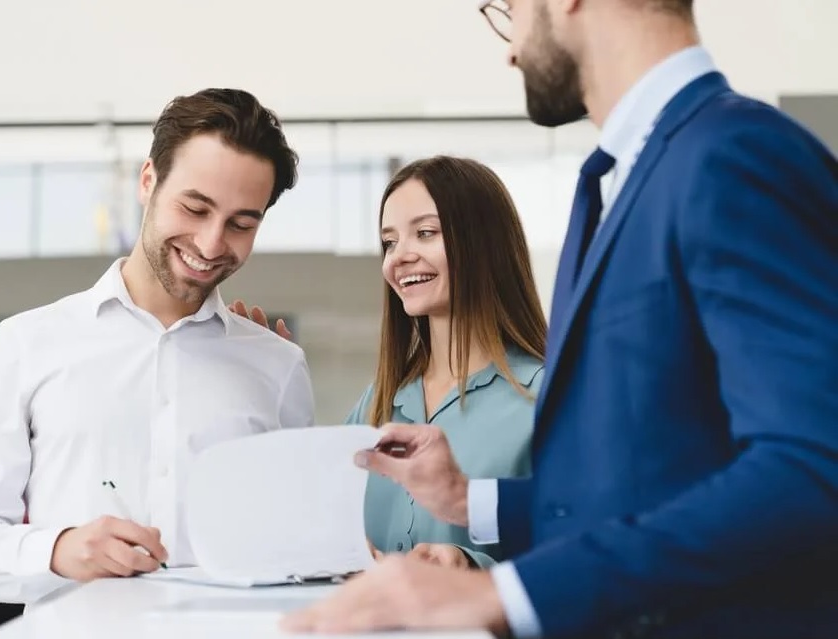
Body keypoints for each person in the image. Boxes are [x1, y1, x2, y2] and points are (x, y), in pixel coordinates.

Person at [280, 1, 838, 638]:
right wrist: (469, 500)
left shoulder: (734, 155)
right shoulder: (614, 181)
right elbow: (647, 490)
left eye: (510, 9)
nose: (511, 48)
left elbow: (813, 468)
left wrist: (510, 593)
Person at [0, 88, 316, 606]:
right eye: (195, 208)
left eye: (241, 224)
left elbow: (299, 546)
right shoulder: (23, 346)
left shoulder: (279, 367)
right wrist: (58, 551)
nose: (210, 244)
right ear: (148, 181)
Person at [344, 156, 547, 569]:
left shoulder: (547, 397)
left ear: (484, 243)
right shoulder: (377, 402)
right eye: (389, 242)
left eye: (425, 233)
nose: (399, 257)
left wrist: (469, 566)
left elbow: (589, 553)